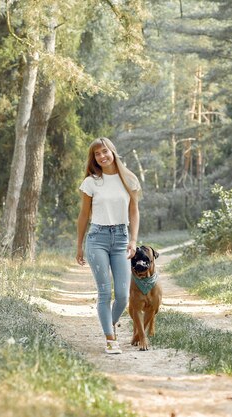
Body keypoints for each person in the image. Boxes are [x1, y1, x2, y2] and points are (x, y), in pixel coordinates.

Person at [76, 137, 141, 354]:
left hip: (122, 238)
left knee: (122, 295)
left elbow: (134, 211)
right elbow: (84, 215)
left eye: (105, 151)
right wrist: (79, 245)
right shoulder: (91, 182)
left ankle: (109, 323)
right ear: (93, 158)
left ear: (112, 151)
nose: (102, 156)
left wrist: (133, 240)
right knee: (105, 293)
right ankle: (110, 339)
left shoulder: (129, 179)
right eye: (97, 154)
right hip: (97, 238)